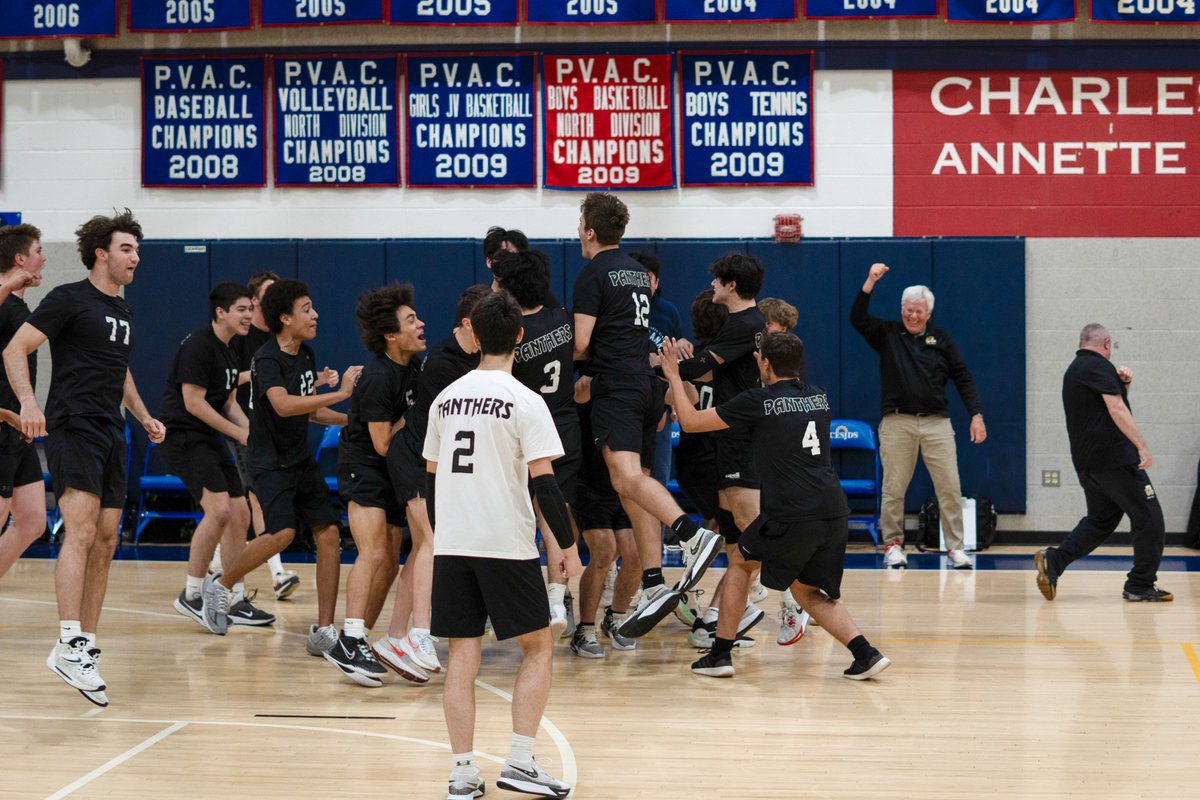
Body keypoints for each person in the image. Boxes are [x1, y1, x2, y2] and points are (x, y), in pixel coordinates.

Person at [4, 209, 165, 707]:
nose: (135, 257)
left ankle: (85, 646)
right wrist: (30, 403)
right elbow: (15, 349)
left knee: (107, 536)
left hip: (112, 431)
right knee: (79, 528)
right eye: (126, 249)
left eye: (137, 250)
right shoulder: (68, 298)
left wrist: (141, 415)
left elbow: (120, 371)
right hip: (74, 425)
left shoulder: (125, 311)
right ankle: (68, 640)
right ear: (101, 253)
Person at [661, 332, 891, 681]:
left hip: (792, 513)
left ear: (764, 363)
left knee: (739, 560)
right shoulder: (819, 397)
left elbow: (691, 423)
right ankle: (865, 653)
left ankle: (720, 654)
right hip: (832, 510)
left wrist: (675, 376)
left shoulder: (759, 400)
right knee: (806, 590)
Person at [426, 291, 581, 799]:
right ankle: (519, 761)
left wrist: (445, 533)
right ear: (520, 336)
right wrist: (567, 545)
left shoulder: (445, 399)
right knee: (537, 648)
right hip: (505, 545)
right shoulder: (527, 401)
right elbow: (545, 484)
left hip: (453, 544)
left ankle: (463, 772)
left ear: (473, 335)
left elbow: (432, 478)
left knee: (462, 657)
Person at [571, 192, 723, 640]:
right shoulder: (638, 273)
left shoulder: (591, 273)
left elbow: (580, 343)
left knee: (625, 478)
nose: (578, 232)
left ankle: (690, 534)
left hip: (615, 386)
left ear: (592, 231)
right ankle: (654, 581)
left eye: (580, 224)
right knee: (633, 484)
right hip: (644, 385)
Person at [202, 280, 361, 653]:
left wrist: (350, 419)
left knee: (329, 536)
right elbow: (283, 405)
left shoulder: (305, 355)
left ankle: (323, 630)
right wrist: (341, 392)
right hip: (268, 462)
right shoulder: (267, 359)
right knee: (281, 534)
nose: (315, 314)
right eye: (307, 308)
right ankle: (221, 585)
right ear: (285, 317)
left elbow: (311, 408)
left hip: (299, 459)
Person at [374, 284, 491, 678]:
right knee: (432, 542)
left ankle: (394, 636)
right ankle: (422, 632)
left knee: (422, 548)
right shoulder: (443, 363)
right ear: (470, 324)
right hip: (415, 458)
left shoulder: (478, 356)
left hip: (436, 462)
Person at [660, 253, 768, 650]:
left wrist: (661, 365)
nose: (712, 288)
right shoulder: (747, 326)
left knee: (754, 539)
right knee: (738, 540)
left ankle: (796, 596)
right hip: (730, 443)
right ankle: (717, 623)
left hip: (740, 441)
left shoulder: (745, 324)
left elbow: (695, 368)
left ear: (732, 286)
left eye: (717, 281)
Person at [851, 262, 985, 570]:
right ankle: (894, 545)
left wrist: (976, 414)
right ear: (902, 309)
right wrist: (870, 280)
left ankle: (955, 548)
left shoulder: (943, 340)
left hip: (937, 422)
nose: (913, 316)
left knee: (950, 486)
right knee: (894, 488)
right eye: (909, 310)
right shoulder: (887, 334)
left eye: (919, 311)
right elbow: (857, 317)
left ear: (929, 313)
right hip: (897, 422)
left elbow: (963, 376)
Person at [326, 283, 426, 687]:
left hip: (393, 471)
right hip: (364, 466)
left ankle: (358, 639)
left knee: (389, 559)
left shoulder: (415, 368)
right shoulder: (377, 377)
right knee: (371, 553)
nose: (421, 325)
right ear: (390, 334)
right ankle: (348, 636)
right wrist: (418, 413)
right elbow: (383, 442)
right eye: (411, 321)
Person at [161, 283, 274, 631]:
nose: (248, 316)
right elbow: (193, 403)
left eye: (250, 310)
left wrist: (252, 432)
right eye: (242, 309)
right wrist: (238, 433)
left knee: (240, 514)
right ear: (221, 313)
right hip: (183, 435)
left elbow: (227, 402)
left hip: (208, 436)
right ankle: (192, 593)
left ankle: (232, 597)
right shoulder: (199, 345)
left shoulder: (230, 349)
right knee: (220, 509)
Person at [1036, 323, 1171, 603]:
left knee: (1101, 520)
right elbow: (1117, 409)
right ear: (1107, 343)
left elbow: (1108, 409)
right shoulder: (1098, 367)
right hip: (1114, 459)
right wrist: (1142, 447)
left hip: (1089, 462)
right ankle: (1140, 584)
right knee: (1150, 517)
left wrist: (1125, 385)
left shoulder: (1075, 369)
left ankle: (1055, 561)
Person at [491, 249, 581, 639]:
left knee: (516, 520)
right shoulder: (562, 316)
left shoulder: (511, 335)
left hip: (523, 431)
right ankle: (557, 598)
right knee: (555, 515)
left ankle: (507, 604)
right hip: (565, 426)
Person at [227, 271, 301, 600]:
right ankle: (277, 571)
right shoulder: (239, 338)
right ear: (255, 300)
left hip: (272, 432)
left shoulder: (279, 340)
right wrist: (256, 373)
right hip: (244, 428)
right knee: (258, 498)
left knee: (246, 504)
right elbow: (223, 384)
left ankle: (218, 565)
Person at [0, 224, 47, 580]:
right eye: (38, 251)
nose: (43, 258)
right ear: (20, 258)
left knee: (32, 520)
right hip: (1, 424)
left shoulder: (18, 307)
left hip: (18, 429)